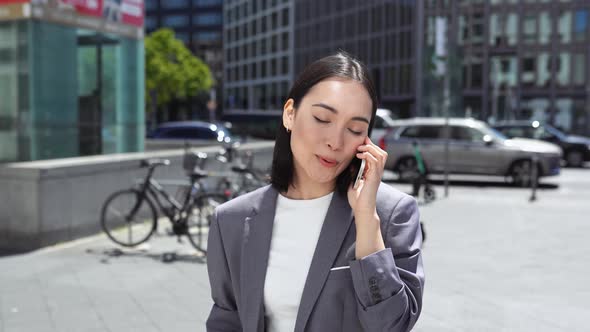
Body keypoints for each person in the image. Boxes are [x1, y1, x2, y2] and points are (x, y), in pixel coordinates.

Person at [206, 52, 424, 332]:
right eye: (322, 118)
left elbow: (393, 326)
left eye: (355, 129)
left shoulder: (393, 213)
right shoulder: (231, 220)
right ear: (290, 114)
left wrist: (367, 221)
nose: (335, 141)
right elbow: (227, 321)